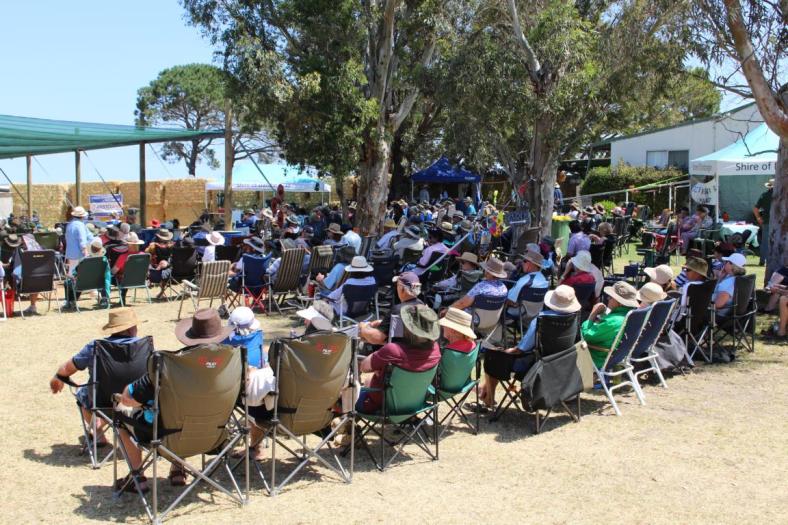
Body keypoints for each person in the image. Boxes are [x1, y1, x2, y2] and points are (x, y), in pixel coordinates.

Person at [115, 308, 233, 491]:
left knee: (121, 416)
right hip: (216, 437)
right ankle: (177, 468)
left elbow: (128, 399)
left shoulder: (170, 366)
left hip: (171, 438)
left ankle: (137, 477)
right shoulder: (232, 364)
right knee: (184, 414)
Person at [49, 308, 145, 449]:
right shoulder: (145, 345)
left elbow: (67, 369)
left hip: (103, 401)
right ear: (131, 329)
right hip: (138, 400)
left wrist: (57, 377)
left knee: (82, 394)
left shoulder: (96, 346)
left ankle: (98, 433)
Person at [478, 285, 581, 408]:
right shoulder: (574, 317)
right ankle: (486, 393)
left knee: (492, 357)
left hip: (536, 367)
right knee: (497, 356)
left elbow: (521, 349)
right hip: (562, 365)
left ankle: (489, 399)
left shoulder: (541, 319)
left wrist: (508, 351)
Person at [357, 305, 442, 413]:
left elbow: (364, 367)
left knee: (343, 395)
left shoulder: (392, 350)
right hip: (415, 403)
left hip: (384, 406)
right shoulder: (435, 349)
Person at [581, 281, 639, 368]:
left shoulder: (614, 321)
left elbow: (585, 336)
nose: (608, 298)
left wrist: (593, 314)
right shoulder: (632, 314)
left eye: (611, 297)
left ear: (619, 302)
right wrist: (605, 315)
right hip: (617, 355)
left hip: (598, 357)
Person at [359, 271, 424, 345]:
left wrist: (363, 327)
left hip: (401, 353)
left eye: (397, 285)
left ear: (402, 289)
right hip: (417, 349)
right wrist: (383, 323)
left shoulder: (398, 310)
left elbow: (377, 338)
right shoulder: (422, 305)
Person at [314, 256, 376, 320]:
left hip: (344, 312)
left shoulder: (350, 283)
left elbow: (331, 297)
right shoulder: (372, 281)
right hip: (362, 312)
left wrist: (323, 300)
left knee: (318, 302)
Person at [506, 250, 548, 316]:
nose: (522, 263)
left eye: (524, 261)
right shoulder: (544, 281)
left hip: (519, 313)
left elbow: (510, 300)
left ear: (530, 264)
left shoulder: (525, 281)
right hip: (535, 314)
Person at [673, 256, 709, 324]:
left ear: (698, 273)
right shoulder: (705, 285)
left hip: (679, 319)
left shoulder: (690, 286)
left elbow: (681, 304)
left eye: (687, 270)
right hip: (696, 320)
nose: (685, 271)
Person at [111, 232, 144, 303]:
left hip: (124, 281)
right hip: (140, 280)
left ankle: (104, 299)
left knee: (109, 277)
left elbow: (113, 271)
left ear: (128, 244)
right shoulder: (144, 255)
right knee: (126, 275)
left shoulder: (123, 257)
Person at [712, 253, 747, 317]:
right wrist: (720, 278)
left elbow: (718, 304)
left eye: (726, 262)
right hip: (733, 314)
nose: (724, 263)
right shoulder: (743, 279)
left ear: (731, 265)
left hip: (718, 314)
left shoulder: (728, 283)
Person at [64, 206, 93, 275]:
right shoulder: (80, 225)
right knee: (80, 274)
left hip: (70, 252)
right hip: (79, 254)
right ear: (82, 216)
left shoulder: (70, 224)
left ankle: (70, 285)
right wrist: (85, 252)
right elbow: (82, 239)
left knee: (71, 272)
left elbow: (66, 237)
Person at [753, 178, 773, 267]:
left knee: (765, 242)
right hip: (780, 223)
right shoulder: (782, 195)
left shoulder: (764, 195)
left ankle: (762, 261)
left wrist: (758, 218)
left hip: (767, 221)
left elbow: (755, 208)